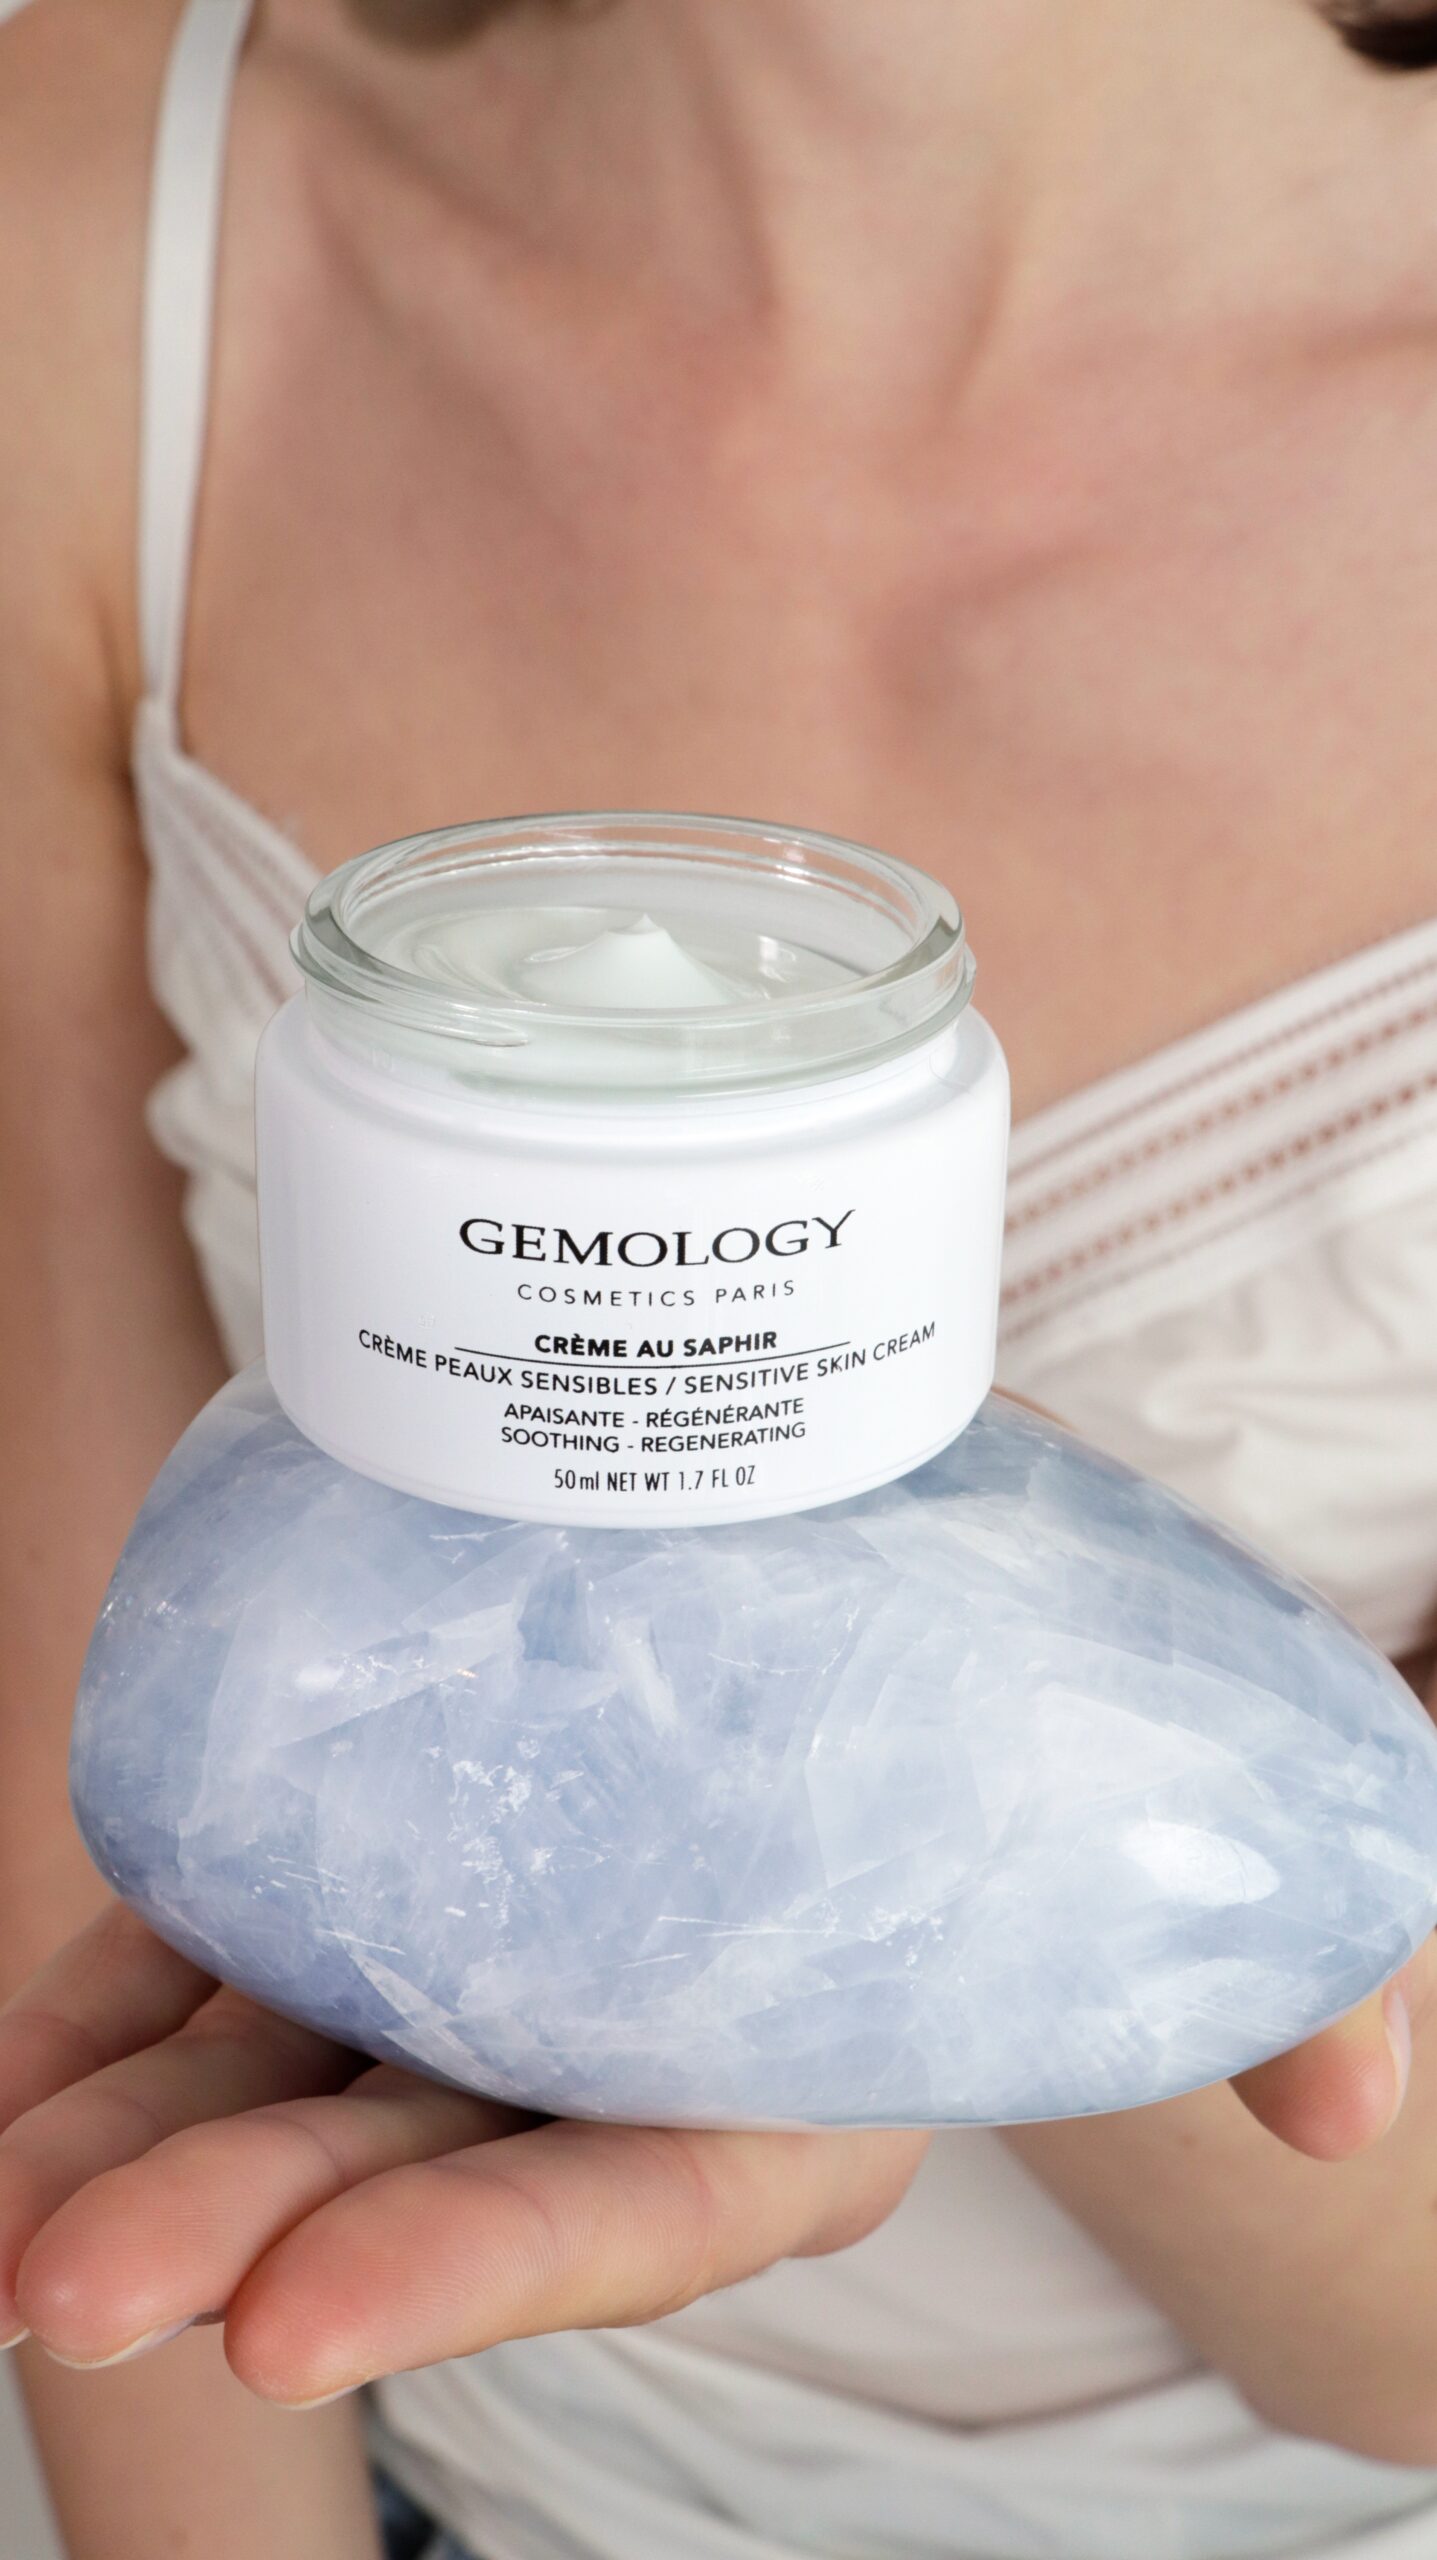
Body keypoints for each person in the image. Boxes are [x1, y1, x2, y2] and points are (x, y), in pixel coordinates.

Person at [1, 1, 1436, 2555]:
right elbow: (82, 1729)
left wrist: (883, 1798)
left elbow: (1405, 2342)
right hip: (442, 2471)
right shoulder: (85, 225)